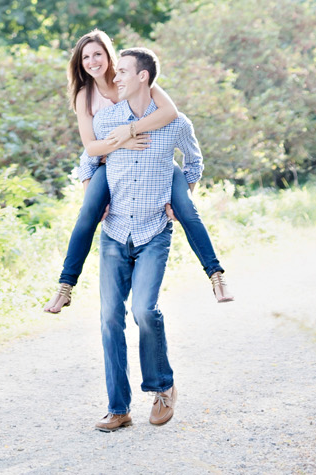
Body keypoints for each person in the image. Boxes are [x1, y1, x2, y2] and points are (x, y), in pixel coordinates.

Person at [43, 28, 231, 313]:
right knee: (87, 215)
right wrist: (121, 142)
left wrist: (131, 130)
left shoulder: (133, 77)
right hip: (111, 164)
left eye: (98, 54)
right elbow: (90, 149)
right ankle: (65, 286)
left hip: (155, 161)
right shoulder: (86, 94)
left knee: (187, 210)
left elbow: (170, 114)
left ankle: (216, 276)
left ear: (109, 56)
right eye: (86, 58)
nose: (93, 62)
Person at [93, 45, 199, 431]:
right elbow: (88, 160)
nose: (115, 77)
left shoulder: (175, 123)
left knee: (143, 311)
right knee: (109, 318)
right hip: (114, 231)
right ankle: (118, 408)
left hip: (154, 230)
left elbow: (194, 160)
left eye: (122, 71)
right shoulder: (106, 120)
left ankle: (163, 387)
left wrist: (181, 195)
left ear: (143, 77)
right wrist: (95, 198)